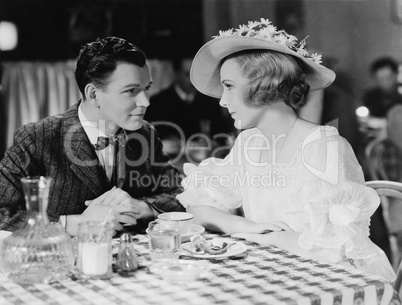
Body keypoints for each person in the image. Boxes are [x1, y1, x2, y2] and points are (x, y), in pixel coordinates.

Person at [176, 18, 395, 281]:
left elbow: (336, 247)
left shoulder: (323, 146)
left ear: (264, 83)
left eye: (229, 86)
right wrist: (246, 225)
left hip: (333, 281)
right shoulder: (249, 144)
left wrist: (269, 238)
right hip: (271, 273)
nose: (223, 101)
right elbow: (198, 205)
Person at [0, 36, 184, 236]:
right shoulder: (37, 138)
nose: (145, 102)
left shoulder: (145, 134)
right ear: (93, 95)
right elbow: (2, 213)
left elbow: (182, 193)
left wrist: (141, 207)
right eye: (131, 90)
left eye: (146, 88)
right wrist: (74, 223)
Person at [144, 55, 233, 157]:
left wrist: (214, 144)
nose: (193, 81)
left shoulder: (210, 102)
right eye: (187, 75)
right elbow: (147, 139)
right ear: (176, 74)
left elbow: (223, 137)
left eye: (196, 75)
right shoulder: (158, 102)